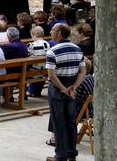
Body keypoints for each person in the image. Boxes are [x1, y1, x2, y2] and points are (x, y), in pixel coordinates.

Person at [45, 23, 86, 161]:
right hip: (72, 86)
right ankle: (71, 153)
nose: (50, 32)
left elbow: (51, 75)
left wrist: (63, 89)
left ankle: (60, 155)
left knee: (59, 121)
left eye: (53, 30)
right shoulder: (78, 49)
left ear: (59, 33)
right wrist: (74, 86)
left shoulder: (53, 51)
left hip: (58, 88)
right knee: (71, 121)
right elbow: (82, 71)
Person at [26, 26, 51, 97]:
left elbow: (28, 57)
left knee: (28, 67)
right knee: (40, 69)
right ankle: (36, 91)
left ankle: (31, 91)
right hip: (45, 70)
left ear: (34, 35)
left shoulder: (31, 45)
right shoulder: (47, 44)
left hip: (33, 71)